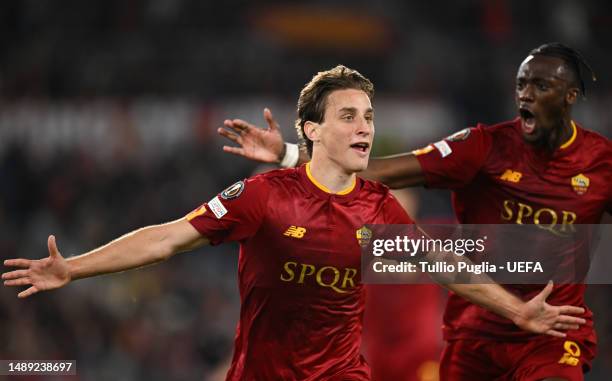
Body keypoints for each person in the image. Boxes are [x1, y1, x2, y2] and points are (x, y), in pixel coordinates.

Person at [3, 65, 587, 381]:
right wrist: (72, 269)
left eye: (369, 116)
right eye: (349, 116)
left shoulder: (381, 207)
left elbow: (447, 271)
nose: (363, 127)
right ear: (312, 129)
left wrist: (515, 309)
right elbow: (166, 239)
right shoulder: (262, 198)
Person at [216, 43, 612, 380]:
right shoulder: (481, 150)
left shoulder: (600, 164)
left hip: (537, 336)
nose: (526, 95)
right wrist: (289, 156)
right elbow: (382, 175)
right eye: (521, 85)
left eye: (540, 86)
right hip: (463, 342)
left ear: (570, 95)